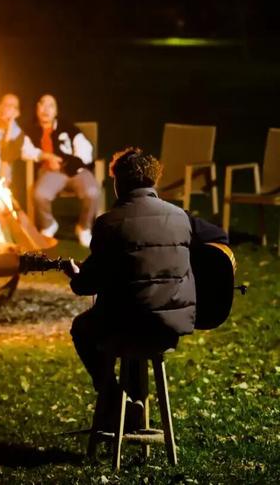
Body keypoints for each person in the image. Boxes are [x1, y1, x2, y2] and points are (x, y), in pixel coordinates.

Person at [67, 146, 227, 426]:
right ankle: (135, 405)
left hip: (124, 326)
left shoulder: (108, 223)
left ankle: (115, 401)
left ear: (118, 182)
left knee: (83, 328)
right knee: (138, 321)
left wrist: (74, 274)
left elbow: (86, 285)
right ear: (154, 180)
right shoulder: (181, 217)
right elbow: (220, 236)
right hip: (170, 327)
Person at [27, 94, 102, 245]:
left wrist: (77, 162)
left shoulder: (67, 127)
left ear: (56, 111)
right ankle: (49, 225)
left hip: (76, 171)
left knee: (93, 192)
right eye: (42, 104)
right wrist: (46, 157)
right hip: (52, 173)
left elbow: (84, 145)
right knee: (39, 194)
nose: (46, 109)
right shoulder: (31, 131)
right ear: (37, 109)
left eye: (51, 105)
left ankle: (84, 228)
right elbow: (26, 150)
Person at [0, 93, 61, 187]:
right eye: (5, 104)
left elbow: (32, 152)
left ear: (17, 113)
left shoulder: (18, 134)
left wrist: (50, 157)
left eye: (11, 106)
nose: (6, 108)